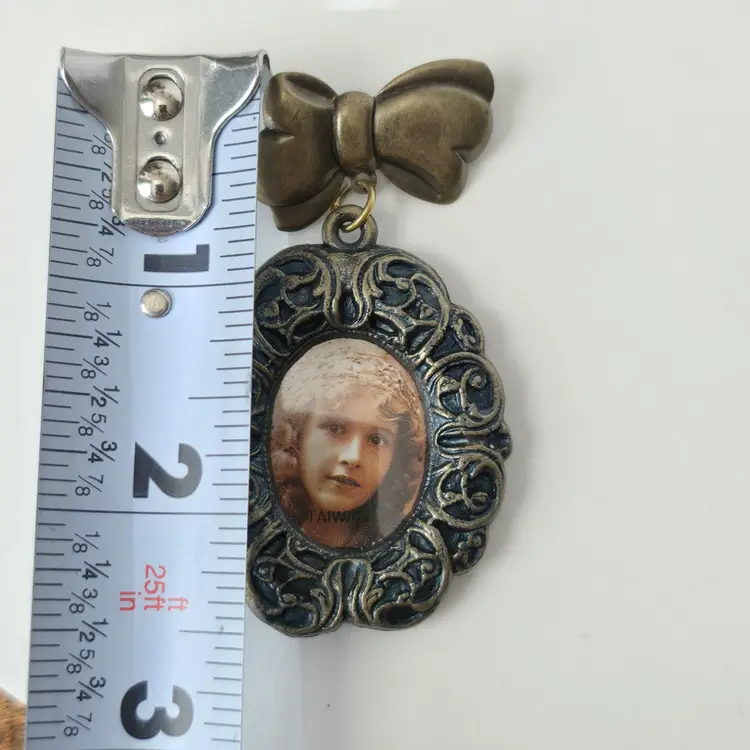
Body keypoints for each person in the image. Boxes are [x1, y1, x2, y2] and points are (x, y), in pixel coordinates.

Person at [270, 338, 426, 549]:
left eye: (377, 440)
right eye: (335, 428)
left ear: (395, 458)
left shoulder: (405, 546)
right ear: (298, 435)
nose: (353, 457)